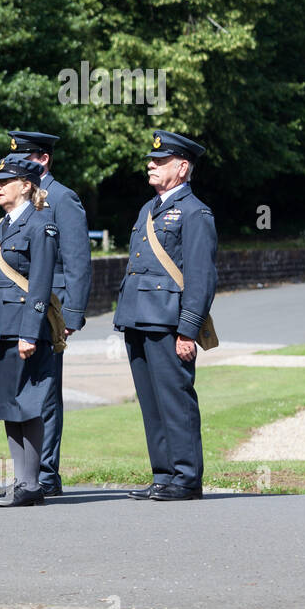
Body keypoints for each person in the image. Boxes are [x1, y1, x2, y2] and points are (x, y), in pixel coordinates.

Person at [114, 131, 216, 502]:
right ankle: (163, 474)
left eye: (160, 161)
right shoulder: (148, 209)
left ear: (182, 167)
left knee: (175, 399)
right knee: (151, 402)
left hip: (170, 321)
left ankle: (186, 477)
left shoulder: (195, 212)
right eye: (151, 161)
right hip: (138, 318)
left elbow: (201, 278)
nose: (151, 166)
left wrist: (188, 330)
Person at [0, 155, 59, 507]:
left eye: (5, 181)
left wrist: (30, 332)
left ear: (27, 185)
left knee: (27, 405)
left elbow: (41, 284)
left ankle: (31, 484)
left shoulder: (42, 224)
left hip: (21, 328)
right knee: (8, 405)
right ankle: (22, 480)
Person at [7, 131, 93, 497]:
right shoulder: (20, 201)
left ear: (41, 160)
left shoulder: (61, 198)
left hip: (50, 307)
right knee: (19, 389)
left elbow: (77, 260)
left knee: (45, 391)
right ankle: (26, 471)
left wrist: (71, 315)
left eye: (22, 159)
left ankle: (45, 472)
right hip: (16, 306)